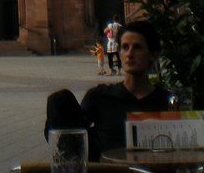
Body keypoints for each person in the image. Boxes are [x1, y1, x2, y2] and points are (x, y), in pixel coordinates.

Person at [46, 20, 172, 160]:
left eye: (137, 47)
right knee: (59, 100)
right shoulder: (100, 96)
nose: (130, 54)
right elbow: (69, 129)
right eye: (125, 47)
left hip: (151, 166)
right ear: (119, 53)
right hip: (108, 167)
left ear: (152, 54)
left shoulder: (167, 101)